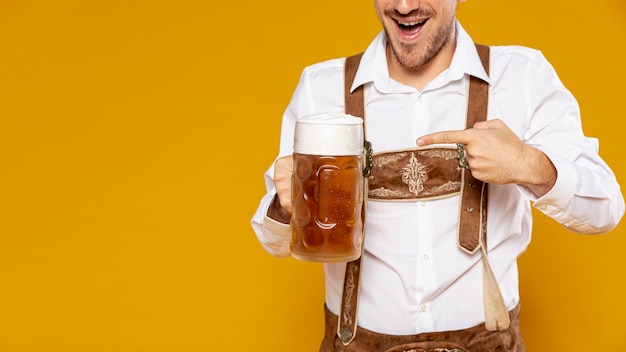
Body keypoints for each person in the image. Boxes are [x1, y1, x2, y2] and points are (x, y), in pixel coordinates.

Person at [251, 0, 625, 351]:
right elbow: (273, 241)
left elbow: (605, 209)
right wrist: (287, 205)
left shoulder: (522, 77)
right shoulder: (321, 88)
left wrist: (529, 164)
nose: (404, 6)